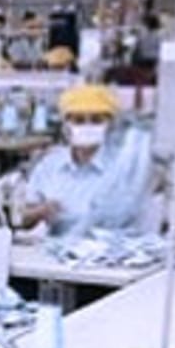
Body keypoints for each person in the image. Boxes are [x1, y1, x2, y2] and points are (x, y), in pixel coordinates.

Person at [21, 84, 150, 238]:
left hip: (111, 254)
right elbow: (23, 219)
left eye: (96, 120)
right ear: (65, 125)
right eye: (78, 120)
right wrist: (41, 211)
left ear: (110, 125)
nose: (87, 126)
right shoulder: (50, 166)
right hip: (58, 255)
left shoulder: (124, 166)